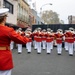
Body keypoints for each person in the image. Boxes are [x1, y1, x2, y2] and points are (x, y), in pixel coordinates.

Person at [0, 8, 29, 75]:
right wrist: (26, 38)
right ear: (4, 19)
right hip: (4, 57)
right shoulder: (8, 30)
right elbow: (22, 40)